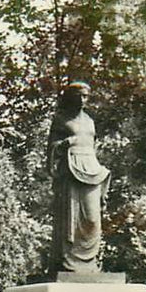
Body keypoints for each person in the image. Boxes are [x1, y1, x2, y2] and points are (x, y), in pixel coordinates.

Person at [48, 81, 110, 273]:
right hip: (70, 171)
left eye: (85, 97)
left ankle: (90, 263)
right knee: (71, 218)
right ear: (70, 97)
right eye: (79, 96)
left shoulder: (90, 121)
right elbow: (51, 147)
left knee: (92, 218)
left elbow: (93, 145)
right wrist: (65, 143)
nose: (83, 100)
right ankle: (68, 262)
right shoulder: (60, 119)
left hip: (91, 168)